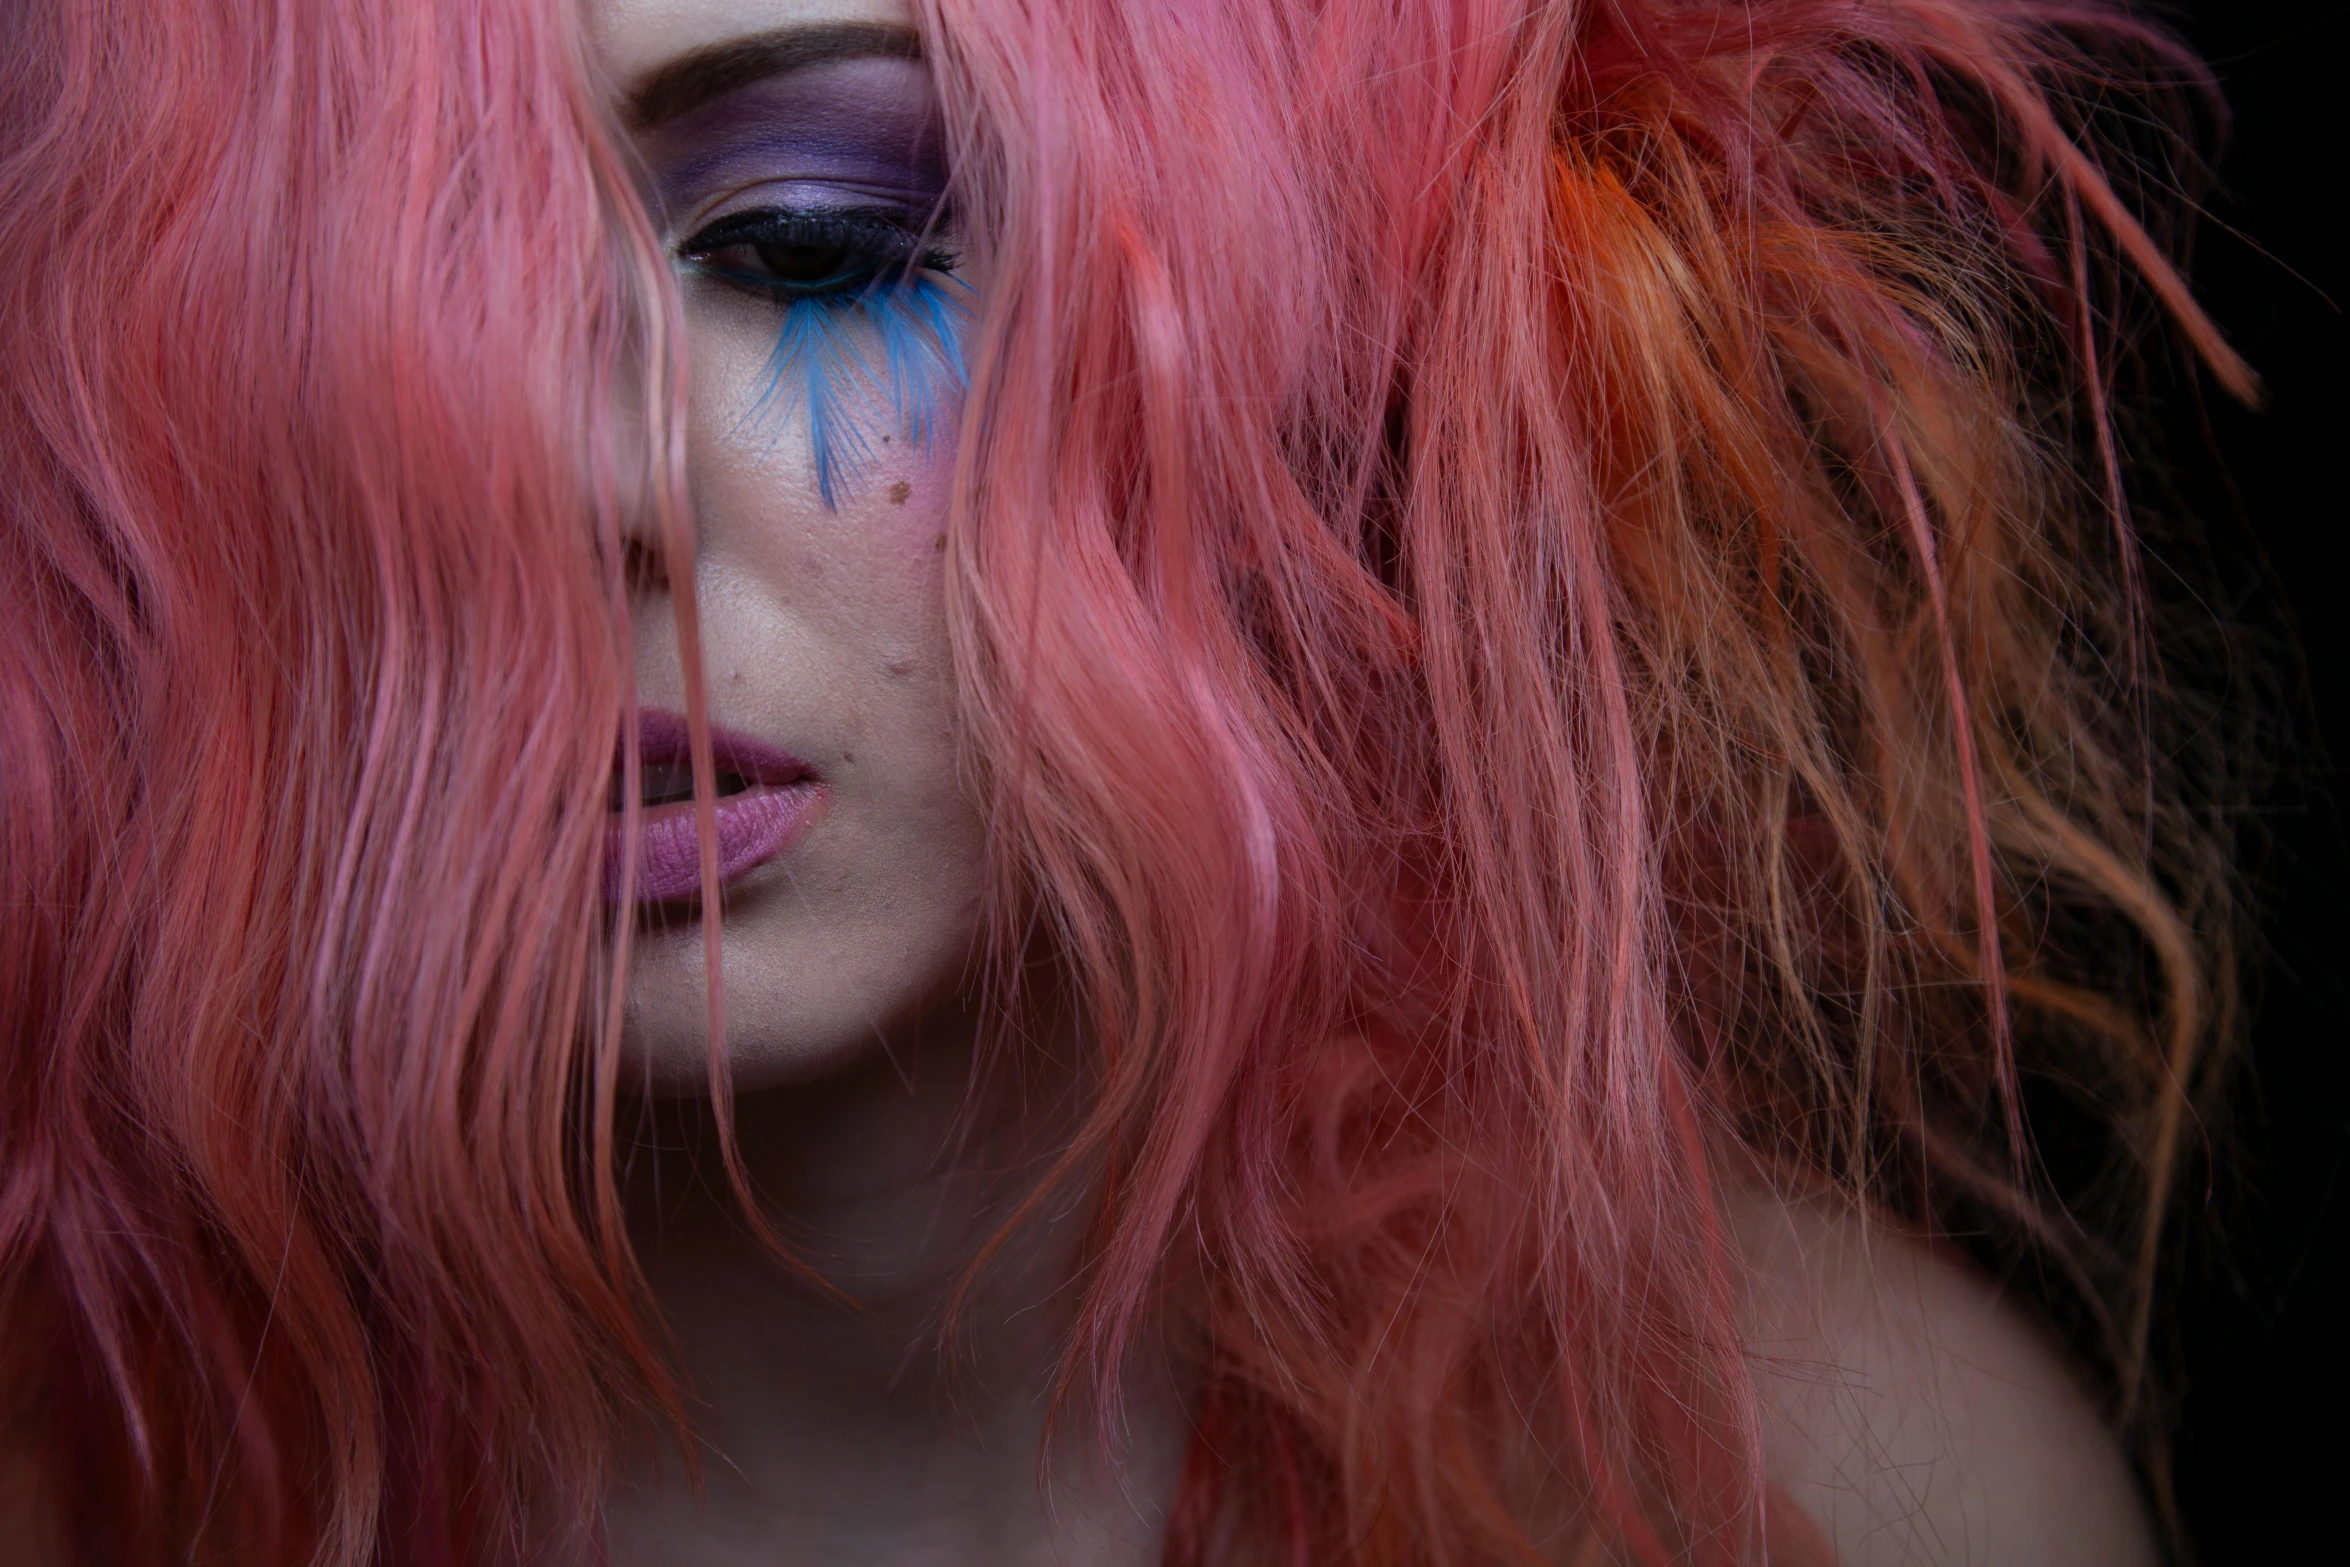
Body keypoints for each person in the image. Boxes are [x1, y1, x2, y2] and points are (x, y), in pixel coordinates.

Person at [0, 0, 2257, 1561]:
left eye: (812, 234)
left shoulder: (1839, 1498)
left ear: (1256, 306)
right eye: (342, 329)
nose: (577, 479)